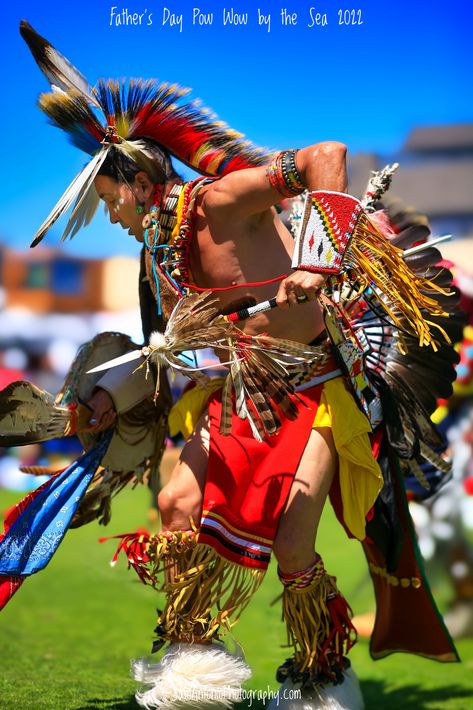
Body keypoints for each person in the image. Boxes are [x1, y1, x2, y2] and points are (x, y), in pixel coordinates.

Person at [18, 19, 461, 710]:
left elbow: (325, 154)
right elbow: (171, 351)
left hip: (316, 390)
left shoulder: (221, 202)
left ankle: (321, 676)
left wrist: (317, 263)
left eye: (108, 202)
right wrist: (96, 405)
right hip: (234, 391)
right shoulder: (158, 256)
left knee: (292, 542)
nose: (109, 218)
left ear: (137, 180)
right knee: (176, 504)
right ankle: (196, 666)